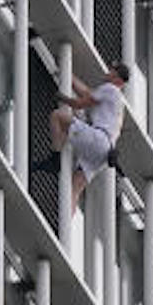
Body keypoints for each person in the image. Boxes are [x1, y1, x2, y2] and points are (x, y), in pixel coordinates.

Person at [34, 59, 130, 215]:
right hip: (105, 152)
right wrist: (68, 74)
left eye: (113, 71)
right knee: (75, 189)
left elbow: (79, 103)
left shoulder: (110, 89)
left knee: (57, 116)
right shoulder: (117, 100)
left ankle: (55, 157)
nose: (108, 72)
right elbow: (86, 93)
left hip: (98, 138)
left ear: (119, 80)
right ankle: (67, 224)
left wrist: (63, 98)